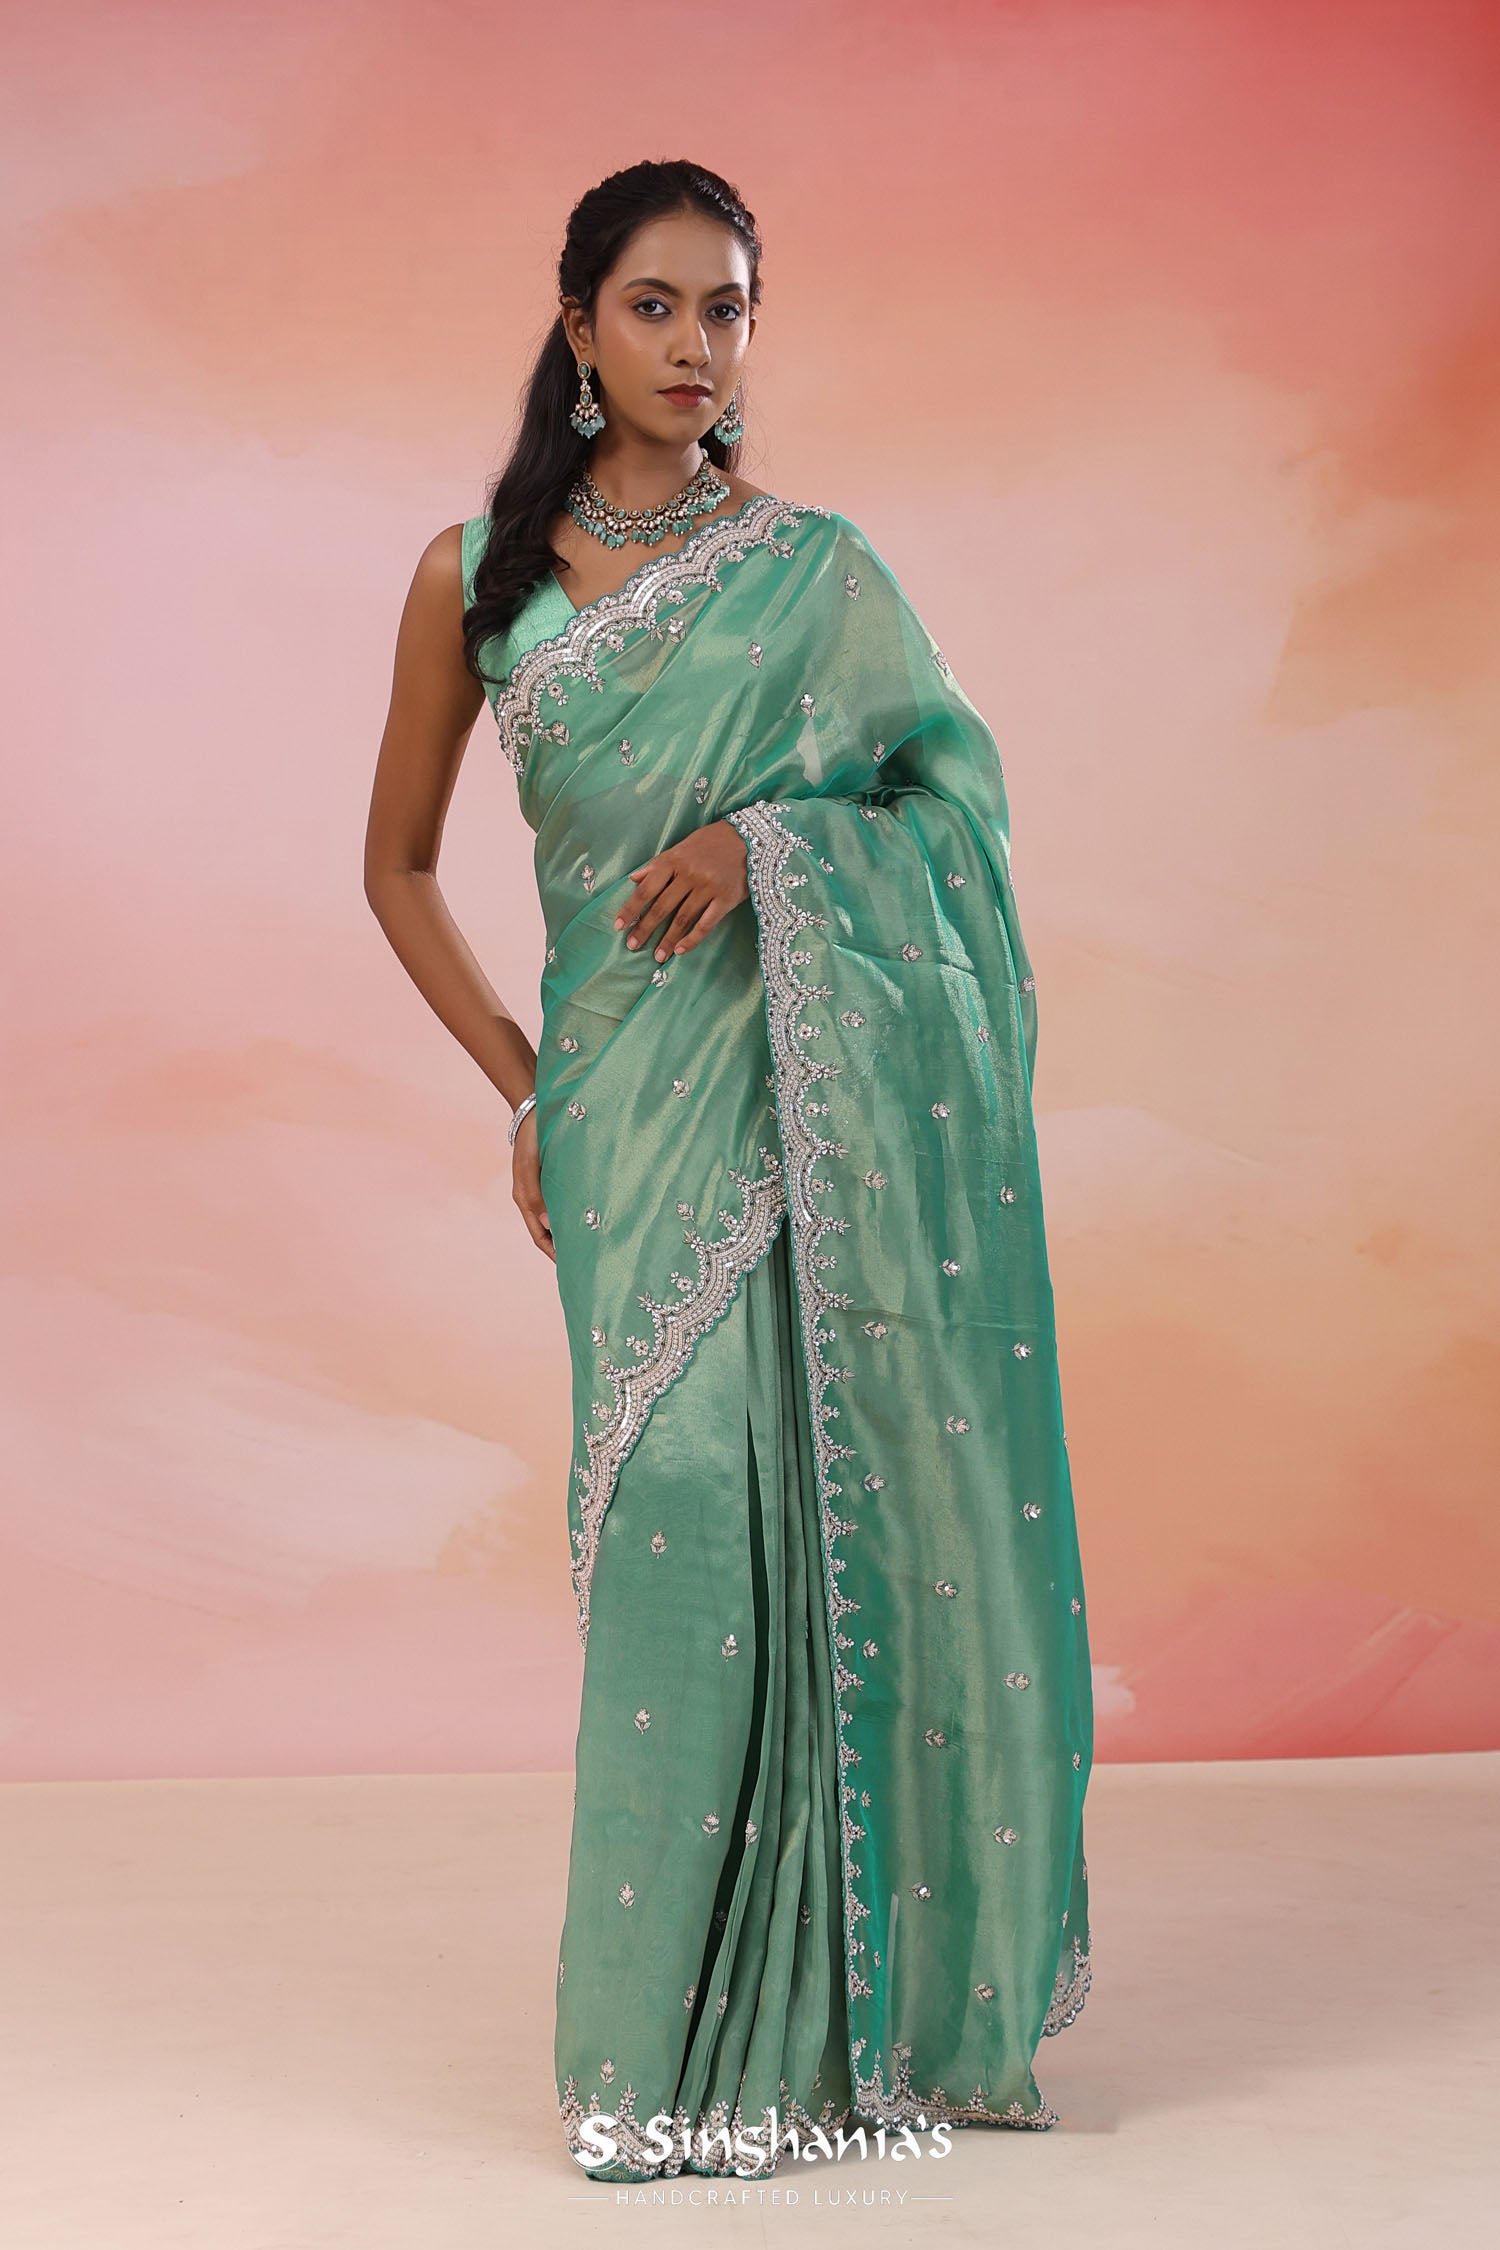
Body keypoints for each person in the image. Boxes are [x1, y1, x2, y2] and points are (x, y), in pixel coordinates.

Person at [364, 159, 1094, 2183]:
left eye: (731, 308)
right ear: (579, 324)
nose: (698, 345)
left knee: (808, 1509)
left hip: (802, 1103)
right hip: (624, 1117)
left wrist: (769, 845)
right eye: (658, 305)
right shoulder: (472, 577)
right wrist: (526, 1088)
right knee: (676, 1515)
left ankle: (821, 2022)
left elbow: (950, 813)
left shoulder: (818, 575)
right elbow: (397, 866)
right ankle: (657, 2043)